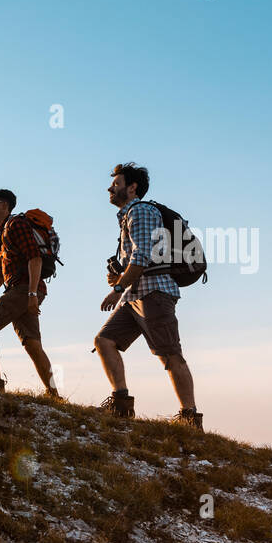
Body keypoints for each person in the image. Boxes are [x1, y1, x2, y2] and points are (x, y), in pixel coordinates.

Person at [93, 163, 203, 429]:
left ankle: (190, 417)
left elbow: (142, 256)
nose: (110, 187)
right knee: (104, 340)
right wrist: (121, 280)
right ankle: (121, 403)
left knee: (170, 355)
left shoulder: (141, 211)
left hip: (154, 293)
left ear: (132, 188)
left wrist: (116, 289)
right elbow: (140, 259)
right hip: (136, 295)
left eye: (117, 183)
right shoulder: (129, 215)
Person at [0, 189, 59, 398]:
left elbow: (34, 258)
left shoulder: (15, 225)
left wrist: (31, 295)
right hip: (24, 291)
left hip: (24, 290)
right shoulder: (3, 234)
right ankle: (54, 394)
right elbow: (0, 275)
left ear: (5, 206)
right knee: (33, 345)